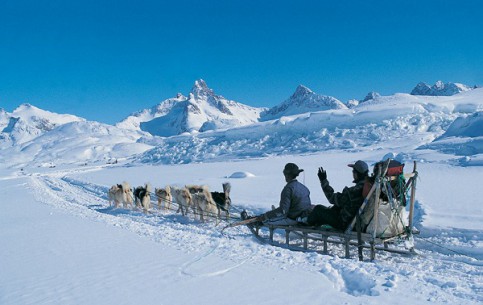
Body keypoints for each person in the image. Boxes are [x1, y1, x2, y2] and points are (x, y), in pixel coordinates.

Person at [298, 160, 369, 230]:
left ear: (357, 174)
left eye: (353, 171)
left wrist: (323, 181)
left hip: (344, 222)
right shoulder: (367, 187)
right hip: (353, 221)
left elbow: (332, 198)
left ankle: (306, 222)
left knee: (318, 209)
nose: (353, 174)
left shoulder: (355, 191)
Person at [248, 163, 312, 226]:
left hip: (292, 218)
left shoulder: (288, 189)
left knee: (266, 221)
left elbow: (283, 210)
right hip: (304, 216)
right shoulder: (304, 187)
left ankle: (255, 222)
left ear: (287, 175)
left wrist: (265, 216)